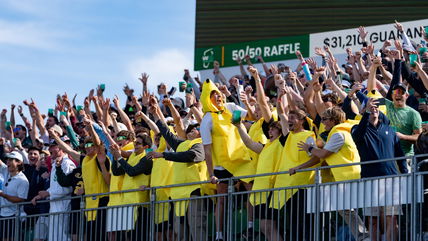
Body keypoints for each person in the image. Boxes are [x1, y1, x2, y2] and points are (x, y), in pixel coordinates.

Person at [293, 107, 368, 241]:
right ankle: (361, 235)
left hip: (347, 176)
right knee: (344, 208)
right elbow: (324, 158)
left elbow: (322, 154)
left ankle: (363, 235)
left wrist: (309, 148)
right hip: (344, 176)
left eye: (325, 119)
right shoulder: (338, 133)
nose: (322, 123)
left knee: (345, 208)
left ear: (333, 120)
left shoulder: (338, 134)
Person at [200, 78, 255, 241]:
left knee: (251, 189)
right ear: (207, 99)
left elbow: (249, 116)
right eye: (213, 95)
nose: (218, 97)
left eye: (218, 94)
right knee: (221, 199)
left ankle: (251, 227)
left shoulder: (231, 108)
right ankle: (219, 235)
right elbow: (207, 151)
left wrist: (246, 101)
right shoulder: (207, 120)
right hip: (222, 165)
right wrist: (211, 174)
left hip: (240, 159)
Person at [352, 98, 408, 241]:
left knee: (392, 217)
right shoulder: (357, 128)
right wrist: (365, 114)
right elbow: (358, 136)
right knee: (372, 220)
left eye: (376, 106)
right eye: (371, 106)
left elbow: (400, 154)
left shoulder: (389, 129)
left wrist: (406, 174)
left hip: (391, 180)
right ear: (364, 110)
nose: (374, 108)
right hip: (369, 180)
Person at [33, 139, 76, 241]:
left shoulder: (67, 163)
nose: (50, 149)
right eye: (49, 147)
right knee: (54, 237)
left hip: (63, 206)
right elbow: (55, 187)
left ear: (61, 148)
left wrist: (48, 193)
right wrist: (43, 194)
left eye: (53, 147)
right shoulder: (55, 165)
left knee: (62, 237)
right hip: (54, 206)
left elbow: (67, 188)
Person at [0, 151, 29, 241]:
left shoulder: (23, 180)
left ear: (19, 162)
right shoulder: (6, 170)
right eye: (7, 160)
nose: (7, 162)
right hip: (2, 213)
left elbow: (20, 199)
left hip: (14, 216)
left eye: (10, 160)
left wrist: (3, 195)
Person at [23, 147, 50, 241]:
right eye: (30, 153)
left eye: (35, 154)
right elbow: (30, 188)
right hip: (27, 207)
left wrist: (38, 169)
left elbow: (36, 188)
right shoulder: (24, 168)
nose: (32, 156)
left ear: (39, 157)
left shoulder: (44, 170)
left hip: (39, 208)